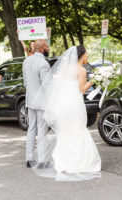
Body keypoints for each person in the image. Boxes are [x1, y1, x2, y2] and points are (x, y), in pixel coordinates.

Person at [30, 46, 101, 181]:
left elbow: (58, 86)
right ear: (81, 56)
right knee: (78, 129)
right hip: (74, 104)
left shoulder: (65, 69)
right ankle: (79, 163)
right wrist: (94, 79)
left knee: (66, 131)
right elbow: (81, 89)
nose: (87, 57)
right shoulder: (81, 70)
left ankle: (63, 162)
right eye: (86, 55)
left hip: (63, 105)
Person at [23, 39, 51, 168]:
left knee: (31, 129)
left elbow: (25, 82)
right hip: (41, 102)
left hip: (30, 100)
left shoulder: (26, 61)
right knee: (42, 130)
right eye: (46, 46)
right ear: (40, 49)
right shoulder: (43, 63)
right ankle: (42, 160)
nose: (48, 48)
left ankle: (29, 159)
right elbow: (47, 85)